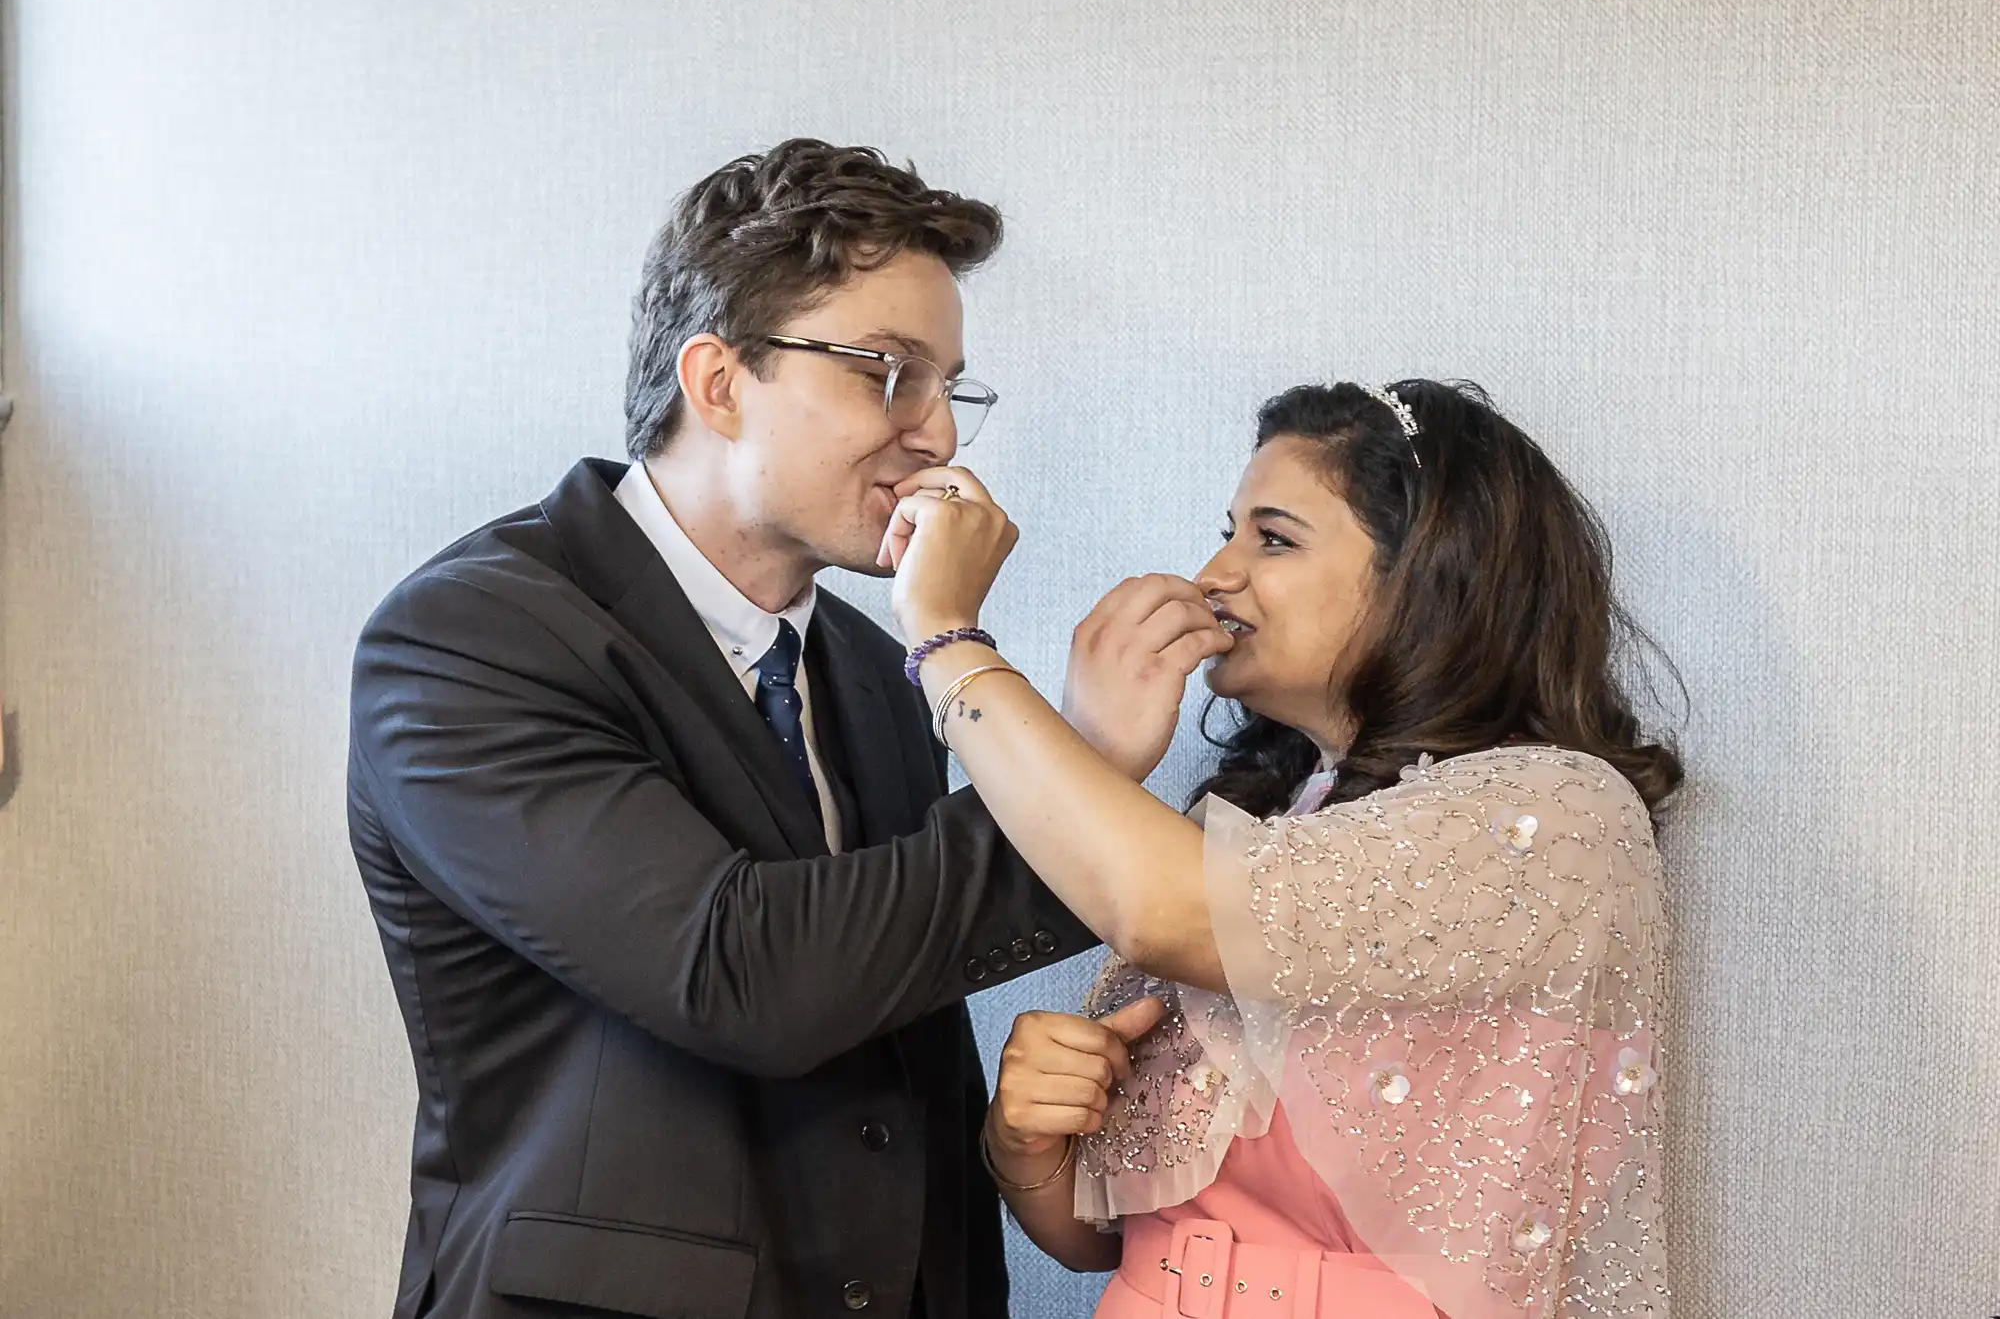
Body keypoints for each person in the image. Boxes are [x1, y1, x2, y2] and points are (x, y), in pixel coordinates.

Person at [347, 139, 1094, 1319]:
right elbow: (738, 971)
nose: (941, 437)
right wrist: (1084, 788)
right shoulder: (466, 639)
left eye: (952, 386)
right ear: (717, 381)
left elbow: (894, 987)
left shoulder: (869, 660)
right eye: (888, 372)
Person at [881, 379, 1681, 1318]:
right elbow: (1099, 1234)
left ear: (1430, 572)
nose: (1216, 572)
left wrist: (947, 638)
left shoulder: (1556, 813)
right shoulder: (1262, 822)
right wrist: (1026, 1149)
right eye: (1228, 530)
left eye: (1273, 536)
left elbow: (1161, 910)